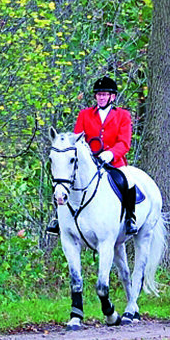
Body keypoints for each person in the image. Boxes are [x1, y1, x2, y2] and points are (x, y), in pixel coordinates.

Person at [47, 76, 136, 235]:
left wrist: (110, 154)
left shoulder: (123, 115)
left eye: (104, 95)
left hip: (113, 162)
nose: (101, 98)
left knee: (128, 180)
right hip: (88, 163)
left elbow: (125, 143)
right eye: (99, 95)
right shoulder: (84, 114)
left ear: (112, 97)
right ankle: (58, 219)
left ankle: (130, 218)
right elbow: (76, 140)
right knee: (63, 180)